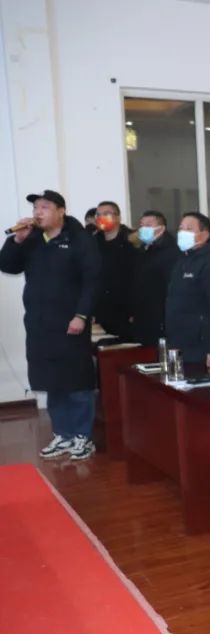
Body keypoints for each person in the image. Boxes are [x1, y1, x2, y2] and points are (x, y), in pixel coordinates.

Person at [0, 191, 101, 460]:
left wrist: (81, 315)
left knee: (76, 380)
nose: (37, 212)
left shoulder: (79, 239)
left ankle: (82, 437)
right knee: (51, 380)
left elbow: (92, 281)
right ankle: (63, 434)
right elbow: (7, 265)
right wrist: (17, 240)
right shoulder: (32, 238)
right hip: (39, 323)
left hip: (71, 322)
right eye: (35, 207)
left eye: (44, 207)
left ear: (61, 211)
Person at [166, 212, 210, 372]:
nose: (182, 233)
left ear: (204, 235)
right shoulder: (182, 262)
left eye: (189, 229)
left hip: (201, 347)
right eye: (181, 228)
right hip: (180, 343)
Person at [129, 210, 181, 346]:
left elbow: (170, 287)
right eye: (141, 225)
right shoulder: (144, 250)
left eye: (148, 225)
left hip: (160, 317)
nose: (143, 229)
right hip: (144, 315)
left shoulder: (171, 252)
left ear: (161, 228)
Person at [93, 200, 137, 338]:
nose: (101, 218)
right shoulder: (93, 242)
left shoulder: (132, 240)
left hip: (127, 311)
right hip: (101, 311)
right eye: (98, 214)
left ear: (118, 217)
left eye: (106, 214)